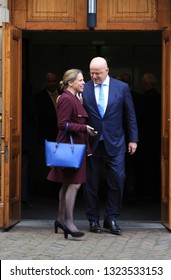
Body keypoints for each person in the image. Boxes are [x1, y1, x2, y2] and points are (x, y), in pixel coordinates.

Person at [82, 57, 138, 235]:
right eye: (91, 73)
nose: (94, 76)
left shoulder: (121, 88)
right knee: (91, 183)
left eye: (97, 73)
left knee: (117, 180)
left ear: (107, 70)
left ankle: (111, 218)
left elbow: (130, 115)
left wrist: (133, 139)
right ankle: (93, 220)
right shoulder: (85, 87)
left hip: (116, 142)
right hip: (92, 144)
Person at [47, 69, 95, 239]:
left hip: (76, 147)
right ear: (70, 82)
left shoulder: (72, 97)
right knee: (74, 184)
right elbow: (62, 124)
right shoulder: (67, 98)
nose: (84, 83)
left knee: (67, 184)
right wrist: (84, 128)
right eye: (81, 80)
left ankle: (60, 219)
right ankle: (68, 222)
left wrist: (79, 102)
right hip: (71, 149)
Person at [136, 73, 161, 200]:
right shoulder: (161, 98)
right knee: (156, 166)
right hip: (158, 138)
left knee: (144, 167)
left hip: (144, 137)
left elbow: (138, 118)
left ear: (145, 84)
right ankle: (157, 192)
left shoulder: (143, 99)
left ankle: (146, 192)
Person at [34, 72, 60, 143]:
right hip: (47, 133)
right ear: (45, 83)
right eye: (49, 82)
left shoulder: (63, 93)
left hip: (62, 132)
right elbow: (40, 115)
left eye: (54, 81)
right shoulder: (39, 97)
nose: (52, 84)